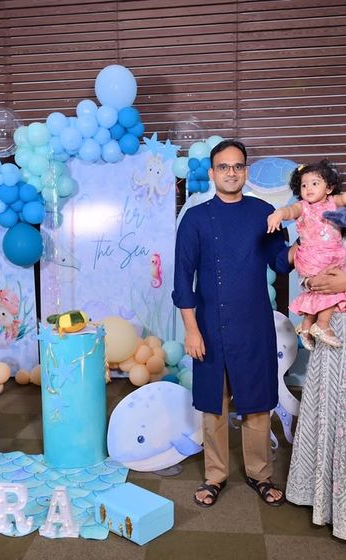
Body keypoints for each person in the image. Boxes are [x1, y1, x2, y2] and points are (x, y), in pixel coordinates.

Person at [172, 139, 294, 508]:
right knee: (214, 404)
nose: (231, 172)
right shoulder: (195, 218)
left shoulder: (263, 212)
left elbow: (281, 263)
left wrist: (311, 240)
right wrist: (191, 330)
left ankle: (260, 474)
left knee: (257, 404)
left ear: (246, 171)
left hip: (255, 324)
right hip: (209, 325)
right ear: (212, 173)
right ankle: (215, 476)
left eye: (238, 166)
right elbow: (183, 279)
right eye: (223, 167)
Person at [286, 267, 346, 541]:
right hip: (331, 328)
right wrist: (312, 280)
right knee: (327, 402)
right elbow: (310, 259)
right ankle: (323, 498)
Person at [267, 160, 346, 349]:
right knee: (329, 288)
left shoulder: (332, 203)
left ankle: (306, 327)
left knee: (323, 291)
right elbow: (290, 210)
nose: (308, 188)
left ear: (329, 188)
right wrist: (279, 214)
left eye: (315, 183)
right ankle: (322, 324)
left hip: (331, 255)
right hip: (313, 257)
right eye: (304, 185)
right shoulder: (303, 206)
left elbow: (343, 199)